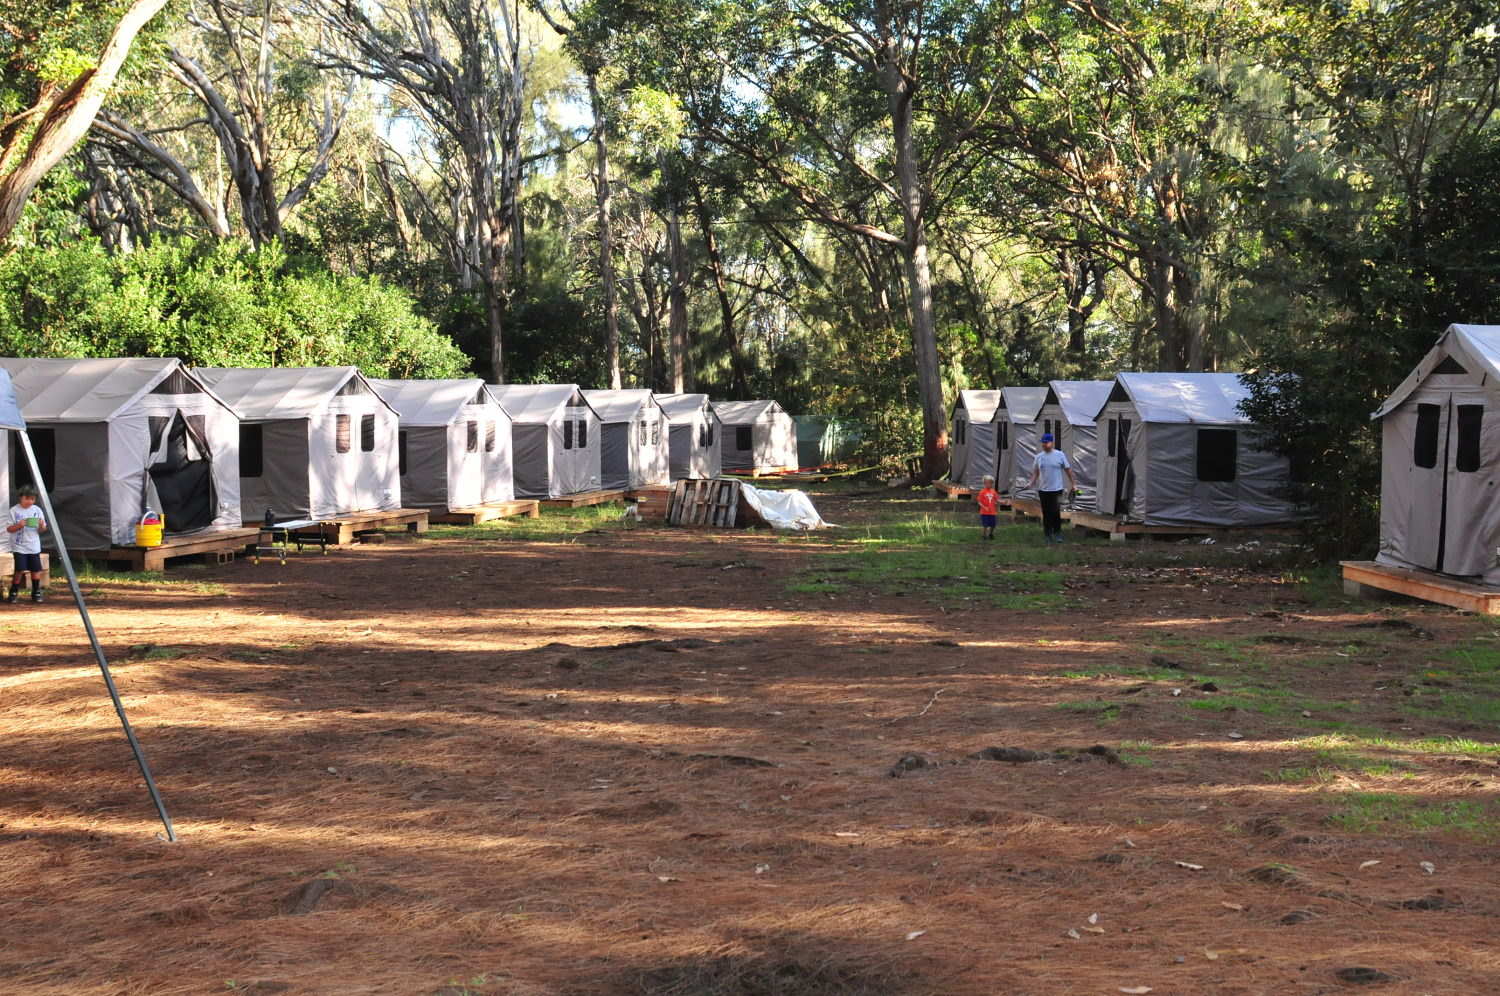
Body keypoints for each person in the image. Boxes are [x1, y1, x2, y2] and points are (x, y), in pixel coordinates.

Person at [1024, 432, 1076, 544]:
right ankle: (1047, 535)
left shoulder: (1060, 455)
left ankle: (1058, 534)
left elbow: (1068, 470)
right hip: (1043, 490)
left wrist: (1073, 484)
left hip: (1057, 490)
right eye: (1042, 443)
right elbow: (1036, 473)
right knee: (1046, 513)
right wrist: (1030, 483)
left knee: (1055, 512)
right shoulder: (1039, 457)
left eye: (1046, 442)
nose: (1043, 445)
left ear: (1052, 443)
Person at [7, 485, 47, 603]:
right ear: (21, 497)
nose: (30, 501)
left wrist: (41, 525)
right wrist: (19, 525)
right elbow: (9, 529)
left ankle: (36, 592)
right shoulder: (14, 510)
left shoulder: (37, 510)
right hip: (19, 545)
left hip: (33, 545)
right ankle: (13, 592)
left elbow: (43, 529)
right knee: (19, 569)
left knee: (35, 570)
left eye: (33, 499)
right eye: (27, 498)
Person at [976, 474, 1000, 541]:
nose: (989, 485)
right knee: (985, 525)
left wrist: (1004, 502)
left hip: (992, 512)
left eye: (991, 483)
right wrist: (985, 507)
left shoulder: (993, 491)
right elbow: (979, 501)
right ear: (984, 483)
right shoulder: (982, 492)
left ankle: (990, 534)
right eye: (987, 483)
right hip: (984, 512)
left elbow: (997, 500)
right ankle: (983, 536)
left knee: (993, 525)